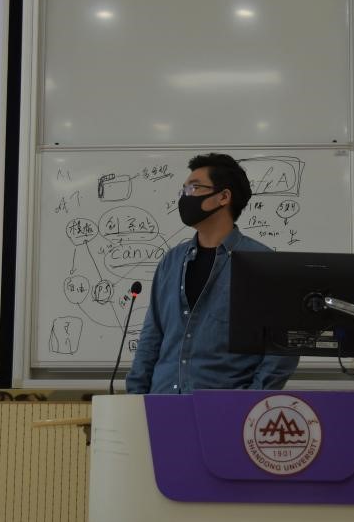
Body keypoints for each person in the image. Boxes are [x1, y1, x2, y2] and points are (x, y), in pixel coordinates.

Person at [125, 153, 298, 394]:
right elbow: (152, 335)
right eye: (184, 189)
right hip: (163, 400)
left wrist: (252, 398)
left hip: (226, 406)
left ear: (224, 197)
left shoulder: (262, 263)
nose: (185, 196)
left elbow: (282, 348)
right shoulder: (172, 261)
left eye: (194, 188)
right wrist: (136, 396)